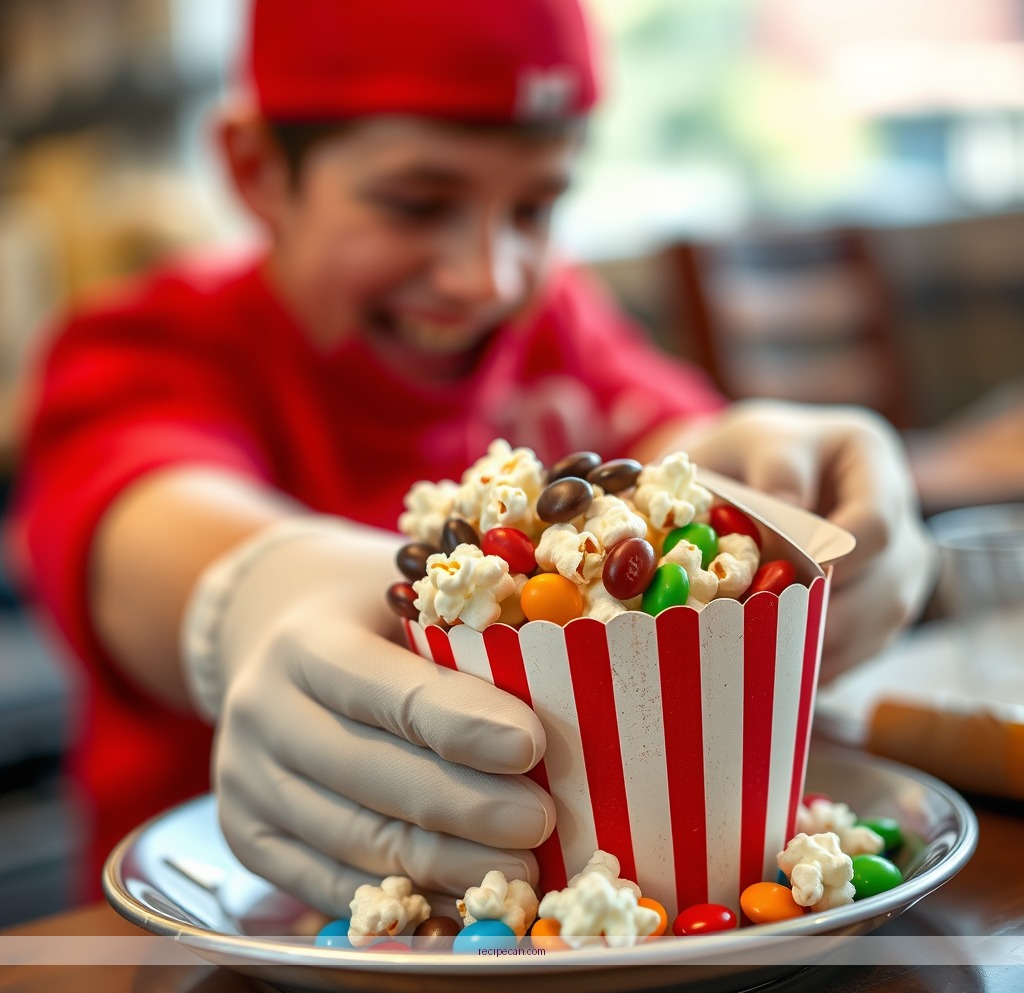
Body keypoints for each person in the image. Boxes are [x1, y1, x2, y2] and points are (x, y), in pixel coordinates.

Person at [6, 0, 935, 915]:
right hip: (216, 948)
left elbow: (670, 462)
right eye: (416, 203)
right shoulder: (148, 345)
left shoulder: (554, 328)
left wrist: (778, 474)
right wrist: (254, 593)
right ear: (257, 173)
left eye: (536, 206)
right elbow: (134, 521)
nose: (486, 276)